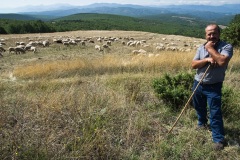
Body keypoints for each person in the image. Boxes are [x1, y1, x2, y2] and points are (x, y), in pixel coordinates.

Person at [191, 24, 233, 151]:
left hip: (214, 86)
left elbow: (221, 61)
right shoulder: (201, 47)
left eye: (214, 33)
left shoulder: (226, 47)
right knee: (198, 106)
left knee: (215, 112)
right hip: (198, 83)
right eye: (209, 34)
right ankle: (202, 123)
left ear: (219, 34)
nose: (211, 36)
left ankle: (218, 139)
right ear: (205, 35)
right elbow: (194, 64)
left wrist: (210, 49)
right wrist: (207, 60)